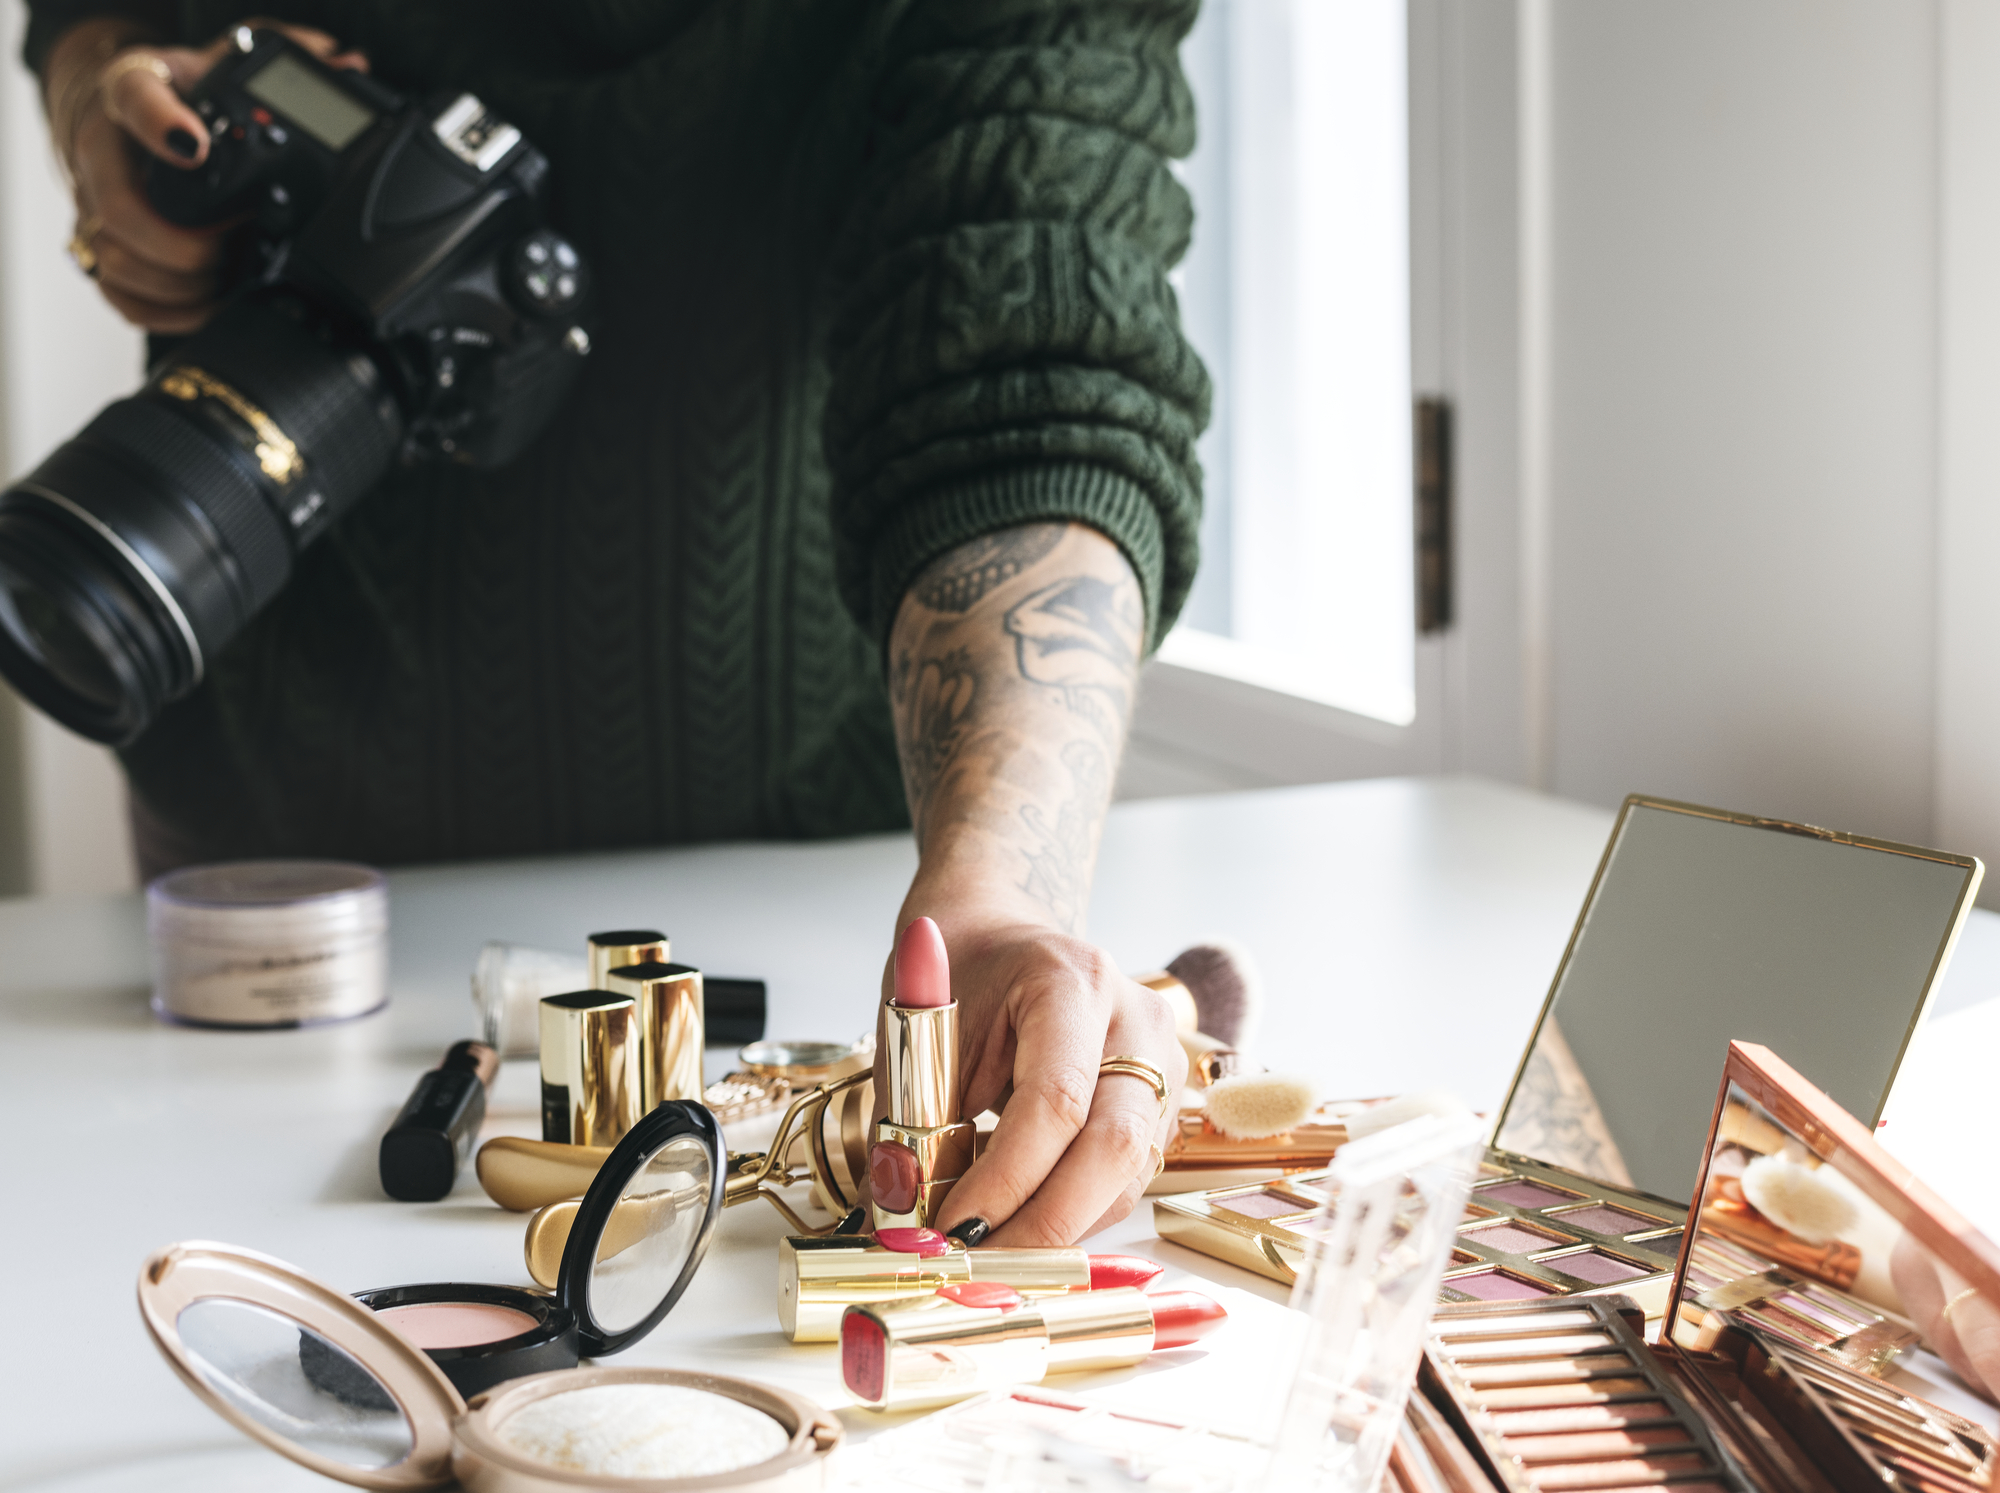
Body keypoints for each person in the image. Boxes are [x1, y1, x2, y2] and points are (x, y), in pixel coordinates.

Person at [27, 0, 1208, 1246]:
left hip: (796, 868)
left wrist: (1000, 902)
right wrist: (106, 96)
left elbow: (1030, 361)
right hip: (271, 858)